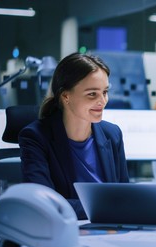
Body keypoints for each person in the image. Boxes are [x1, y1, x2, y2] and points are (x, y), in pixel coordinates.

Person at [19, 52, 129, 219]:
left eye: (105, 92)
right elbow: (43, 202)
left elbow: (125, 194)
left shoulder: (112, 134)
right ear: (65, 96)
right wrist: (107, 208)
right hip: (66, 231)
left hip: (112, 230)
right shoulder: (36, 137)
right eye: (92, 94)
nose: (102, 101)